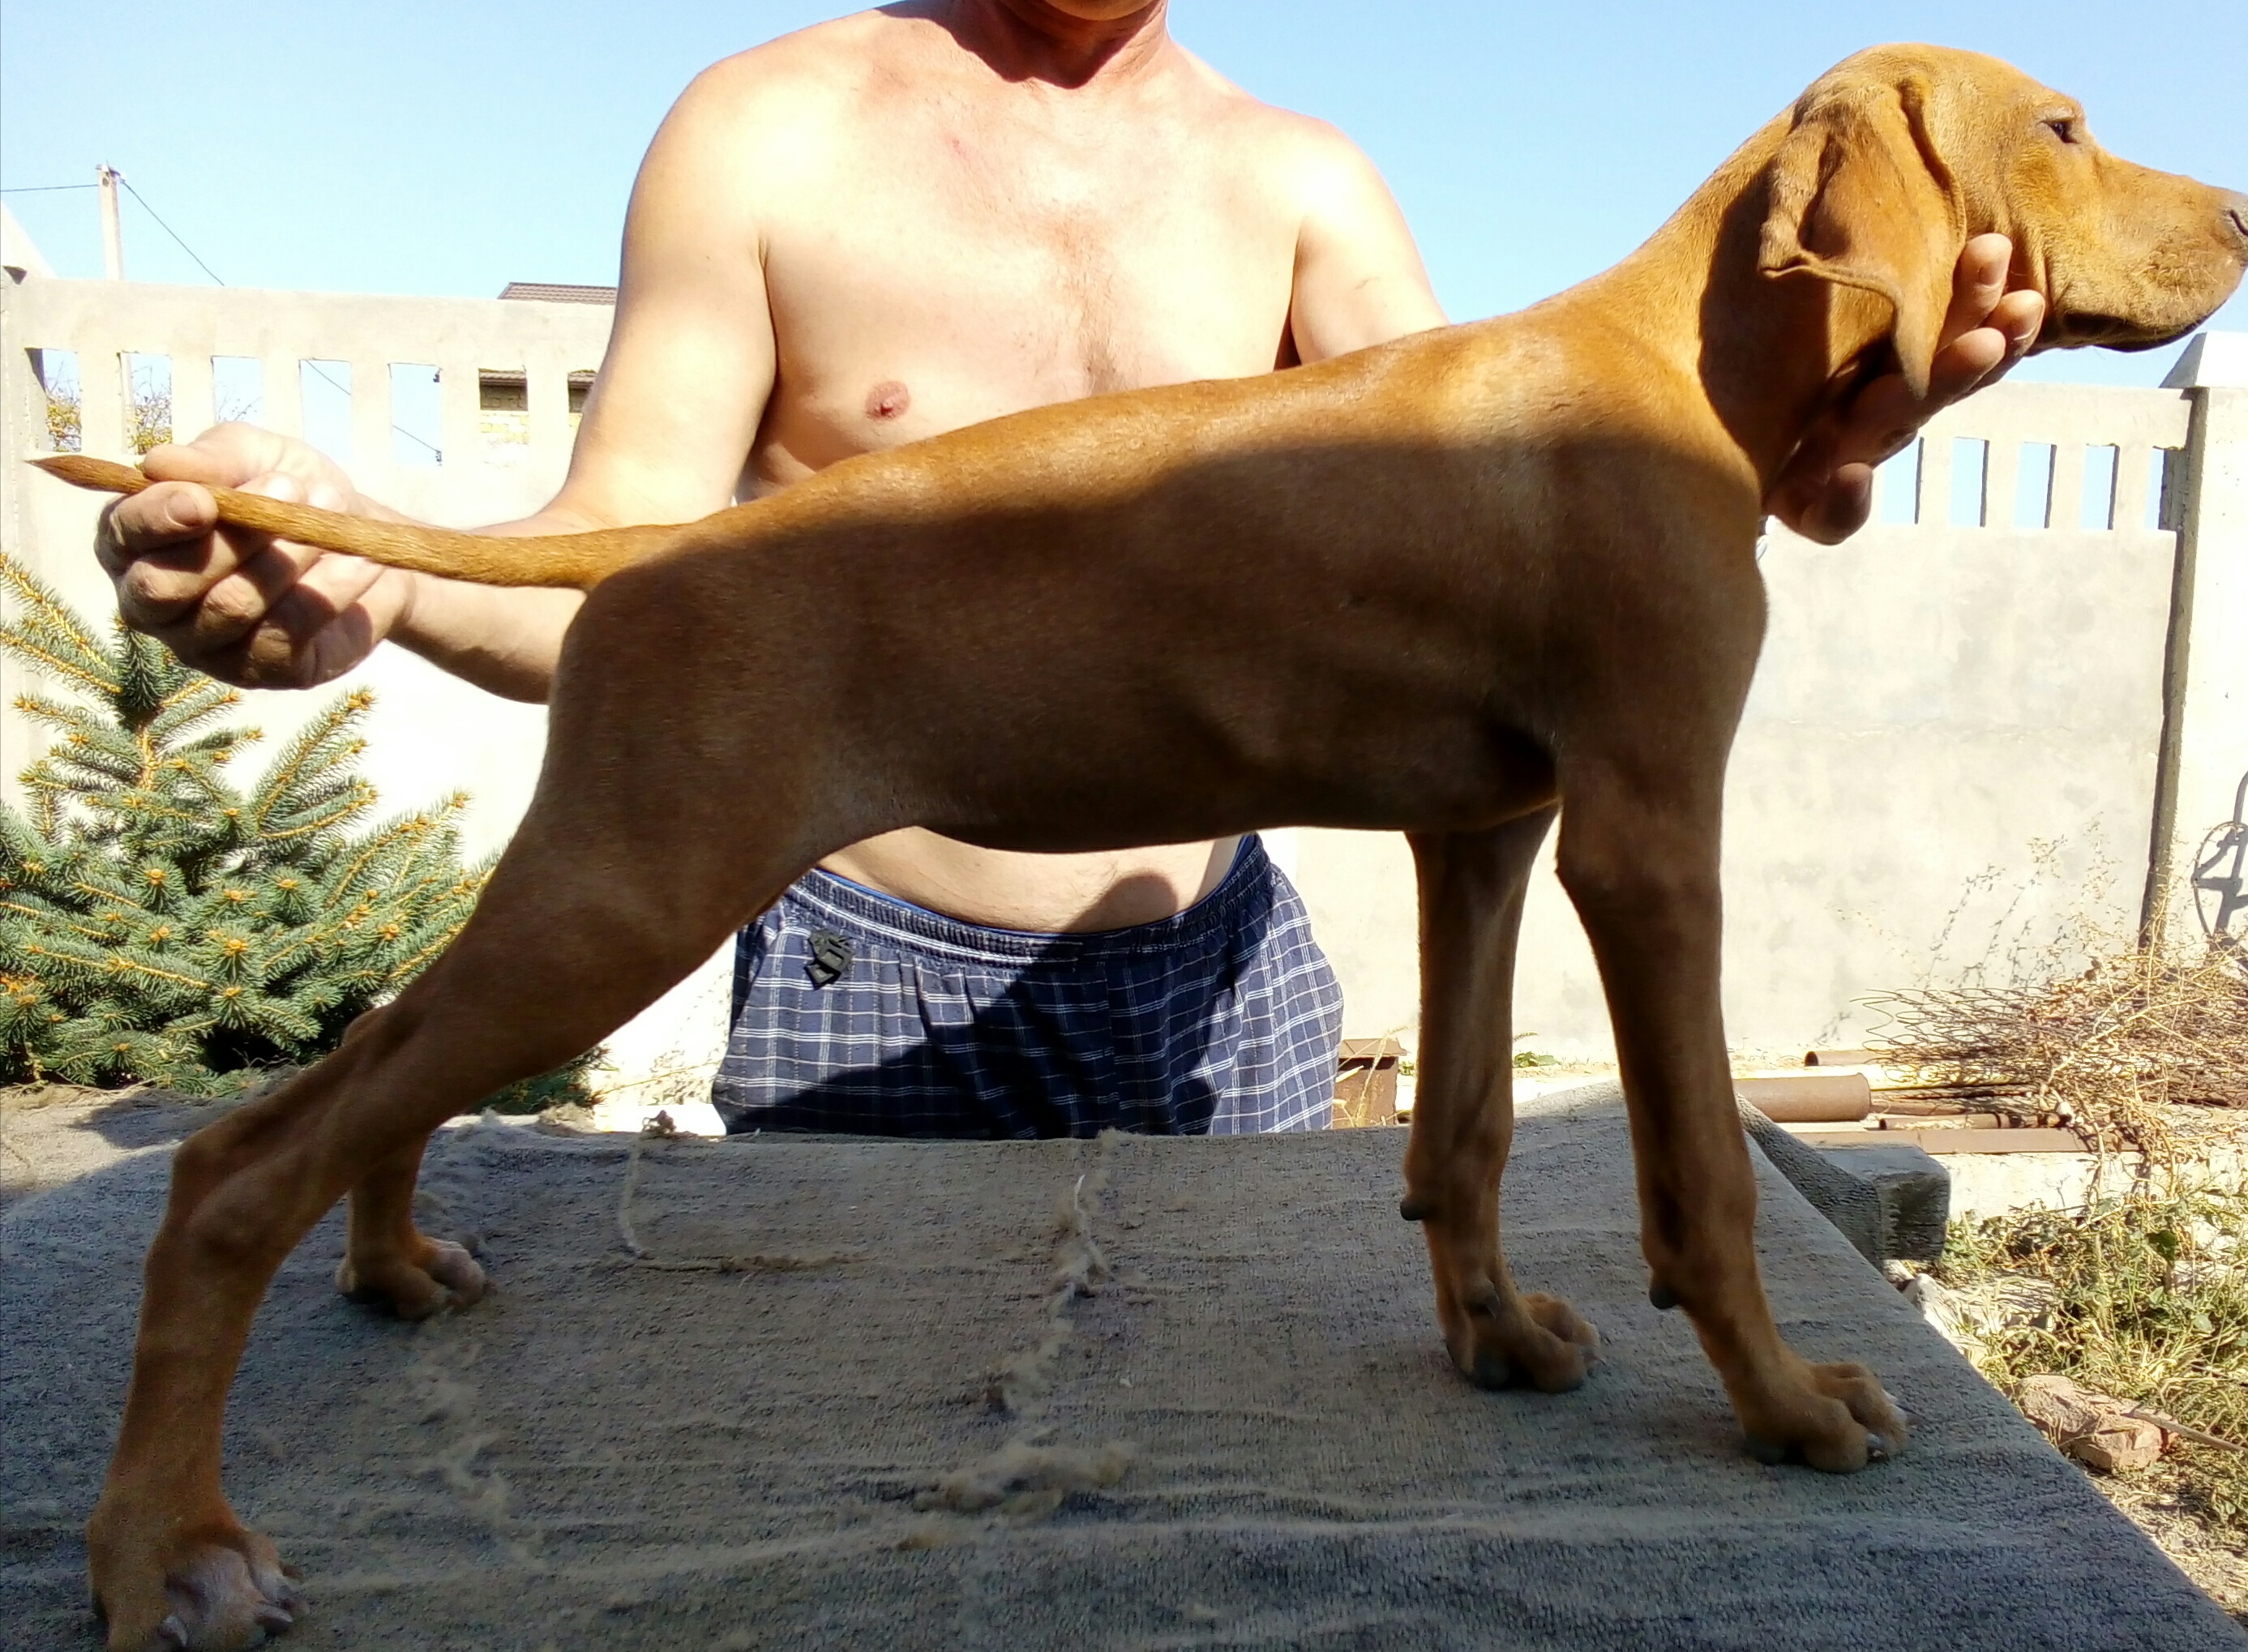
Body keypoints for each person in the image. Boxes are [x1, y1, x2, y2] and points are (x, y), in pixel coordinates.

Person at [94, 1, 2043, 1138]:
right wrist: (371, 583)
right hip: (869, 979)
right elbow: (634, 568)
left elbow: (1529, 561)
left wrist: (1846, 408)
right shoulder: (768, 133)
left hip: (1224, 980)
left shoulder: (1300, 182)